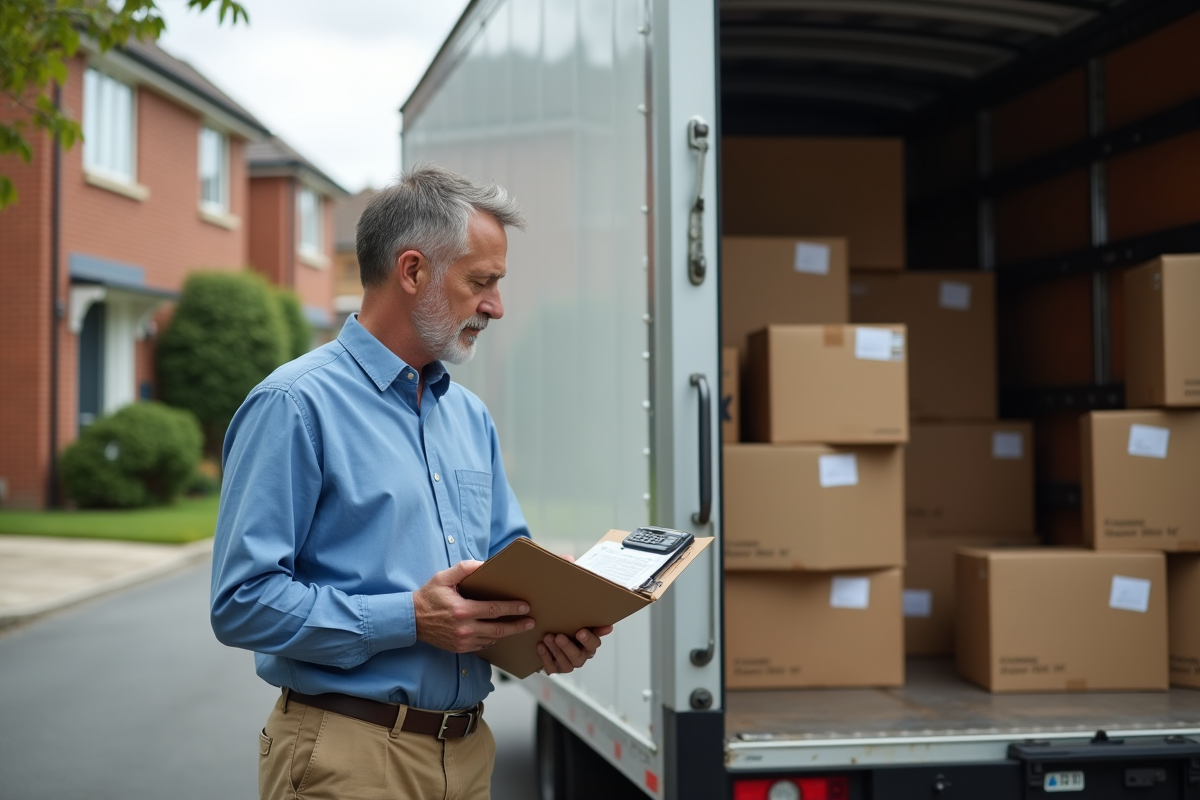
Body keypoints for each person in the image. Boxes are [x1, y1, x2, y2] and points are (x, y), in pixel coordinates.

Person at [210, 164, 612, 800]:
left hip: (469, 755)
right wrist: (408, 619)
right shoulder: (293, 405)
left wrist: (549, 631)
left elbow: (505, 576)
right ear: (414, 270)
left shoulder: (469, 417)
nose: (496, 307)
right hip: (348, 757)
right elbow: (241, 604)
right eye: (482, 282)